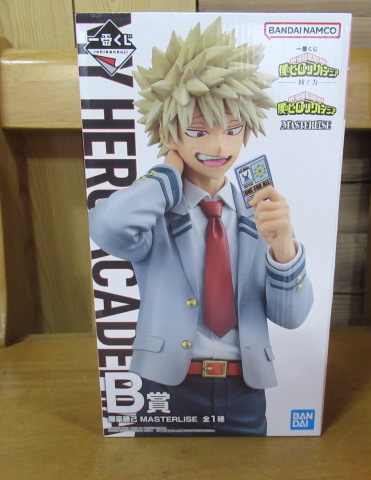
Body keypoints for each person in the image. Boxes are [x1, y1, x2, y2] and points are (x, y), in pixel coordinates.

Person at [88, 17, 313, 436]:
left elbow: (292, 317)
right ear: (168, 132)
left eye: (233, 129)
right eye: (197, 130)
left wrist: (284, 248)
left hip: (246, 387)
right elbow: (107, 228)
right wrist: (166, 174)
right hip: (167, 384)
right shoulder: (154, 213)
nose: (218, 146)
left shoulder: (258, 212)